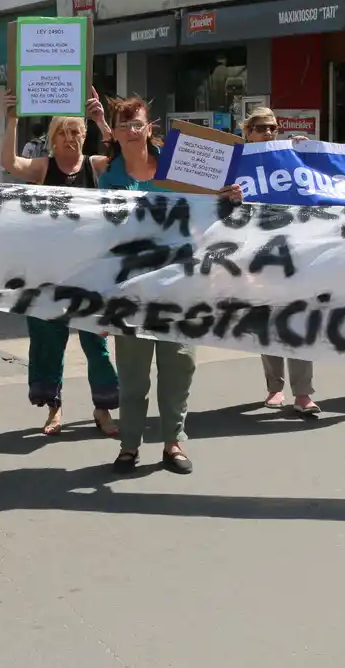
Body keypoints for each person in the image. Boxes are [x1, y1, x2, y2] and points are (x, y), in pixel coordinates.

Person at [87, 91, 243, 475]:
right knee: (134, 377)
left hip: (181, 288)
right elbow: (106, 241)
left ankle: (173, 443)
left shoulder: (180, 168)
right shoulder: (110, 178)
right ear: (117, 132)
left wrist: (230, 198)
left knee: (178, 369)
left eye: (137, 124)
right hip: (133, 290)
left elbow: (212, 208)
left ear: (149, 127)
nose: (131, 131)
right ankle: (129, 447)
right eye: (123, 126)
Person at [0, 94, 119, 437]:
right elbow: (9, 162)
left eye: (76, 131)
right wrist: (11, 120)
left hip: (91, 274)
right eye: (63, 132)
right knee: (48, 343)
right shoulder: (43, 167)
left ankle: (103, 408)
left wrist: (101, 121)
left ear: (84, 135)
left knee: (96, 343)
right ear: (52, 137)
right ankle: (54, 408)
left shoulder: (95, 165)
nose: (70, 137)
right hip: (47, 273)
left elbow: (123, 157)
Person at [243, 107, 320, 415]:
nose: (269, 133)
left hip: (295, 254)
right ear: (247, 132)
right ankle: (274, 388)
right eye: (261, 128)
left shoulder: (291, 157)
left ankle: (303, 393)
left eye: (273, 128)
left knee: (298, 324)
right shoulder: (237, 162)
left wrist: (306, 154)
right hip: (256, 257)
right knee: (267, 325)